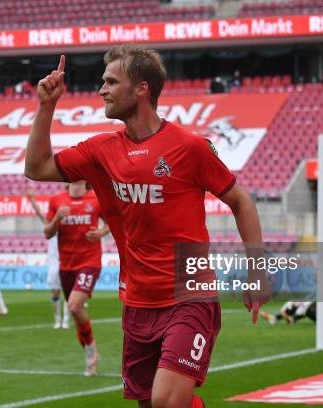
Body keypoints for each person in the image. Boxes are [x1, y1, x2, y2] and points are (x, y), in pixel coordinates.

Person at [25, 44, 270, 407]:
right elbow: (37, 167)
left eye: (111, 81)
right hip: (137, 302)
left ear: (141, 88)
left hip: (190, 296)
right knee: (150, 403)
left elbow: (241, 201)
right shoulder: (100, 150)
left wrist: (258, 271)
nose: (101, 90)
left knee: (166, 402)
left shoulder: (190, 148)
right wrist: (47, 105)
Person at [45, 181, 109, 376]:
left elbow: (113, 222)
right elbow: (48, 233)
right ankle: (91, 355)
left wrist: (100, 233)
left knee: (73, 306)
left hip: (90, 262)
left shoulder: (97, 198)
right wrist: (57, 218)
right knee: (76, 314)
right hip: (66, 265)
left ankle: (91, 352)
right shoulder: (56, 200)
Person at [26, 187, 70, 329]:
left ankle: (66, 320)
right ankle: (57, 319)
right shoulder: (50, 225)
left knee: (69, 293)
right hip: (53, 263)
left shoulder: (68, 225)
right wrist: (32, 200)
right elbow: (39, 213)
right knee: (55, 292)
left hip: (67, 261)